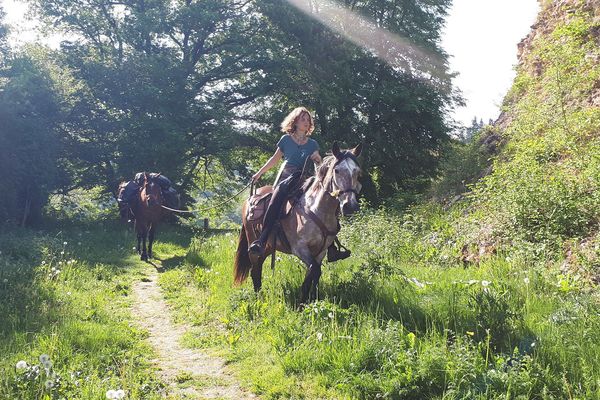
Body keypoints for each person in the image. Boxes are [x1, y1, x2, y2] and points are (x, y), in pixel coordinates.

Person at [248, 106, 351, 262]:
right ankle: (261, 240)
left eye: (308, 120)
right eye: (302, 119)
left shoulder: (312, 144)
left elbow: (319, 166)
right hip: (286, 177)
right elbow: (275, 159)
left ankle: (332, 248)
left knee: (326, 201)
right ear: (294, 121)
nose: (306, 122)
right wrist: (258, 174)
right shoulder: (286, 140)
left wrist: (318, 160)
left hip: (305, 178)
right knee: (275, 201)